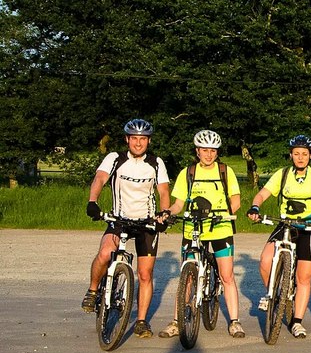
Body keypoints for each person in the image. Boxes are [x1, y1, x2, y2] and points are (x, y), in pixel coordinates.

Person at [82, 119, 172, 338]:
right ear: (127, 139)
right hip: (119, 218)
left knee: (145, 273)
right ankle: (93, 290)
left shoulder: (156, 162)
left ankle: (141, 322)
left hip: (146, 222)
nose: (138, 143)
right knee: (104, 253)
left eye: (143, 139)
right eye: (134, 138)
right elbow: (100, 178)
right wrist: (93, 201)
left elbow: (163, 191)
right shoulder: (115, 158)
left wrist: (164, 212)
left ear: (148, 140)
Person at [159, 130, 244, 339]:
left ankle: (235, 321)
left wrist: (225, 214)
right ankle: (177, 321)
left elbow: (236, 200)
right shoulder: (188, 173)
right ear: (197, 151)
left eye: (213, 151)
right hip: (193, 229)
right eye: (205, 150)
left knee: (226, 275)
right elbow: (179, 202)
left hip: (220, 228)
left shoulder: (225, 171)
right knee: (186, 278)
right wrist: (168, 212)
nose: (209, 155)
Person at [246, 135, 311, 339]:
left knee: (304, 276)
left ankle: (297, 321)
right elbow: (262, 193)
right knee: (265, 260)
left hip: (309, 226)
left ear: (310, 156)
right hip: (285, 223)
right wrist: (255, 206)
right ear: (291, 155)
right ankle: (275, 294)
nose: (300, 158)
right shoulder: (283, 174)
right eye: (296, 154)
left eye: (304, 154)